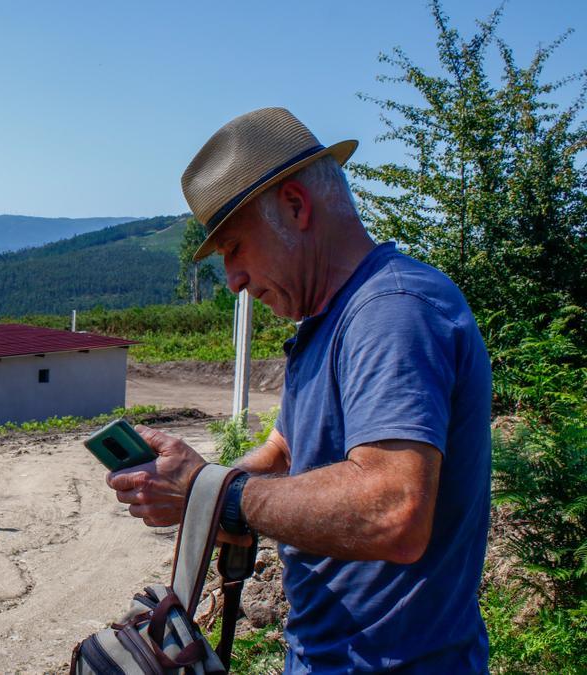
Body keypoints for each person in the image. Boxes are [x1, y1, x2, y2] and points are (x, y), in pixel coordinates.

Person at [106, 108, 491, 672]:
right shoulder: (329, 321)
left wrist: (217, 495)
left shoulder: (392, 312)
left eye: (234, 247)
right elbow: (288, 453)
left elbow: (394, 510)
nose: (232, 279)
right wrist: (203, 491)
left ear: (295, 205)